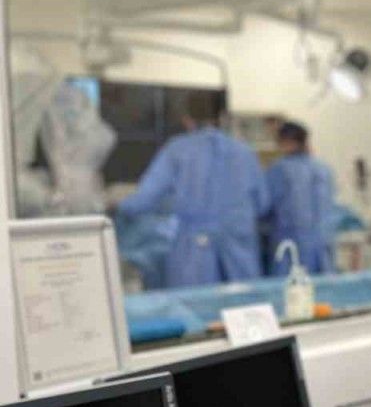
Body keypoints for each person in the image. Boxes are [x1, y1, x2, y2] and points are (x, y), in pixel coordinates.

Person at [116, 97, 268, 287]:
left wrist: (118, 206)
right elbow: (262, 203)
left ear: (187, 119)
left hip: (196, 251)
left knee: (197, 302)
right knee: (245, 301)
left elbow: (145, 198)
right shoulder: (244, 152)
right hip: (238, 249)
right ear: (222, 118)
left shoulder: (178, 150)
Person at [264, 121, 336, 276]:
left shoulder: (280, 170)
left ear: (286, 142)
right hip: (322, 246)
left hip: (292, 245)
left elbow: (264, 205)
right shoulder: (323, 169)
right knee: (322, 286)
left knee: (291, 286)